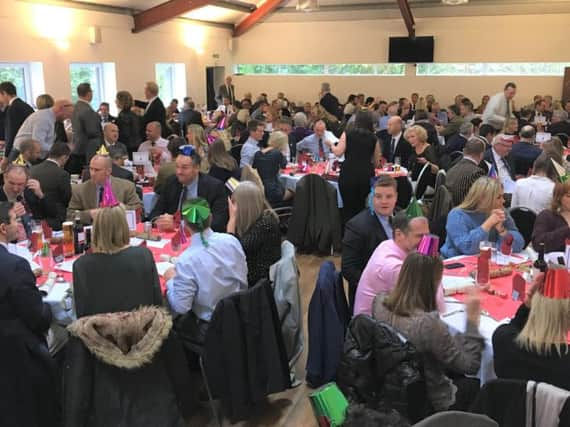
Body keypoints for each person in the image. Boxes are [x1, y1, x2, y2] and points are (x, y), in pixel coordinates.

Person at [373, 253, 485, 412]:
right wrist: (472, 322)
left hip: (390, 387)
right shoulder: (427, 325)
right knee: (478, 386)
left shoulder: (379, 302)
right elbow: (471, 365)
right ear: (432, 284)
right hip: (430, 400)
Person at [0, 201, 58, 427]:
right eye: (15, 220)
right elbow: (38, 318)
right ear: (3, 228)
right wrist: (48, 307)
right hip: (18, 354)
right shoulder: (15, 266)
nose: (18, 224)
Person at [164, 198, 247, 346]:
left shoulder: (187, 260)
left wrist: (171, 280)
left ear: (186, 226)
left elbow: (181, 307)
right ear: (210, 217)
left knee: (170, 326)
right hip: (241, 314)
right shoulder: (231, 241)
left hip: (210, 327)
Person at [72, 205, 162, 317]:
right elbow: (157, 302)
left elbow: (81, 314)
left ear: (96, 228)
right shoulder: (144, 255)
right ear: (124, 226)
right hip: (143, 329)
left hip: (99, 331)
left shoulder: (81, 265)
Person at [492, 270, 570, 391]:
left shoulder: (503, 340)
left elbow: (512, 328)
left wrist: (527, 307)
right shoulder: (565, 363)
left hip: (511, 408)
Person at [354, 214, 442, 316]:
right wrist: (434, 269)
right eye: (419, 236)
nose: (426, 241)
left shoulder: (388, 244)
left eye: (427, 235)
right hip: (374, 328)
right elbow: (433, 303)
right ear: (399, 234)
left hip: (386, 318)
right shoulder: (393, 267)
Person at [342, 177, 398, 312]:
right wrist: (379, 288)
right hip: (373, 301)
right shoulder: (357, 226)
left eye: (389, 196)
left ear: (396, 197)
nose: (384, 201)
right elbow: (348, 269)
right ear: (372, 197)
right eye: (378, 196)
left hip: (399, 288)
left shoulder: (400, 218)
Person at [150, 145, 228, 232]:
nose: (179, 172)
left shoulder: (214, 187)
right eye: (177, 167)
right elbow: (155, 213)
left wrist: (180, 225)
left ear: (197, 168)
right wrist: (159, 221)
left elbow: (218, 223)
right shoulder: (171, 182)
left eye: (184, 168)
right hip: (171, 238)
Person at [441, 177, 524, 258]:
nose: (503, 201)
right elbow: (467, 248)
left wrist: (502, 231)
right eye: (499, 197)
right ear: (482, 199)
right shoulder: (457, 215)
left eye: (503, 196)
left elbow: (519, 244)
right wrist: (487, 224)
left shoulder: (500, 211)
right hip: (455, 264)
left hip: (488, 261)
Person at [328, 110, 379, 223]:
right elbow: (376, 162)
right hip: (365, 175)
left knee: (348, 207)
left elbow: (338, 152)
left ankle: (347, 233)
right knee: (361, 206)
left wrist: (331, 145)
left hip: (349, 174)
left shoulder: (348, 133)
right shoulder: (373, 138)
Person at [227, 181, 281, 286]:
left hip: (256, 285)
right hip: (254, 277)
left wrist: (232, 221)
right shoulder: (260, 219)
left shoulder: (264, 225)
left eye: (234, 203)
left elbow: (233, 252)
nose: (232, 208)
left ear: (244, 205)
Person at [67, 155, 141, 224]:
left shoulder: (126, 186)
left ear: (108, 171)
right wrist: (89, 214)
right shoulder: (79, 189)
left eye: (97, 170)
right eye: (91, 169)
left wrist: (116, 210)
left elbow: (138, 210)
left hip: (117, 230)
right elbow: (69, 216)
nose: (92, 173)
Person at [0, 165, 55, 239]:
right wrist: (9, 211)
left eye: (20, 184)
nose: (15, 189)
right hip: (10, 241)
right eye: (11, 183)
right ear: (4, 178)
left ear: (26, 182)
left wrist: (40, 195)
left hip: (36, 236)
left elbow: (52, 213)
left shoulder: (31, 191)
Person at [29, 142, 71, 230]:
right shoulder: (63, 174)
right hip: (56, 219)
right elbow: (66, 198)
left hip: (36, 218)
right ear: (64, 157)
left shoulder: (32, 169)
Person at [252, 130, 293, 206]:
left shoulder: (258, 153)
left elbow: (254, 168)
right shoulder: (277, 154)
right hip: (273, 191)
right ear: (282, 144)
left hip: (260, 189)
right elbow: (284, 165)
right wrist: (283, 153)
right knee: (295, 191)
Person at [0, 81, 34, 166]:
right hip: (28, 147)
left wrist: (6, 156)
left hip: (18, 149)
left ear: (4, 93)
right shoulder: (25, 106)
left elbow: (11, 133)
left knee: (15, 174)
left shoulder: (12, 109)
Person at [445, 138, 487, 206]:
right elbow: (483, 198)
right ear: (481, 155)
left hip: (450, 209)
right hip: (466, 211)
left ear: (464, 151)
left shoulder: (452, 167)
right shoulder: (477, 172)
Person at [531, 179, 570, 252]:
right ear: (559, 197)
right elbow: (538, 244)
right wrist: (566, 231)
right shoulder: (547, 216)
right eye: (569, 196)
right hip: (555, 262)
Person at [72, 83, 104, 166]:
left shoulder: (76, 107)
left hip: (78, 146)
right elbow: (92, 131)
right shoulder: (87, 110)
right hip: (89, 148)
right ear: (89, 93)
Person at [405, 125, 439, 200]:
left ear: (420, 136)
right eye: (408, 138)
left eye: (413, 136)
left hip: (427, 183)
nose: (410, 140)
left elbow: (437, 169)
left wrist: (427, 163)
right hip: (414, 180)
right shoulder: (413, 149)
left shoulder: (429, 149)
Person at [115, 90, 141, 154]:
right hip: (137, 145)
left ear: (121, 101)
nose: (115, 101)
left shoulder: (123, 116)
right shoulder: (134, 115)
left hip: (127, 147)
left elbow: (124, 134)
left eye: (116, 99)